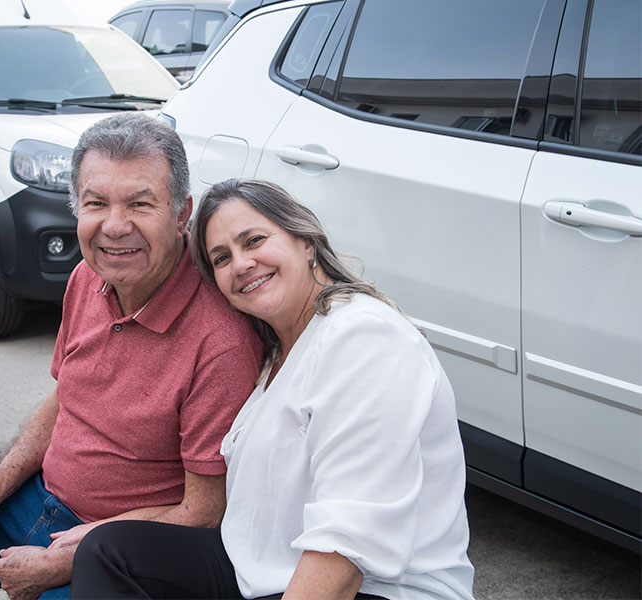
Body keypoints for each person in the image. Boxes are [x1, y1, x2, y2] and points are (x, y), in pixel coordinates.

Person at [0, 115, 263, 599]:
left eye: (140, 204)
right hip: (38, 497)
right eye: (95, 203)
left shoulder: (220, 340)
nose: (114, 226)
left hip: (122, 546)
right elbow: (65, 400)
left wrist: (68, 558)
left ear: (181, 211)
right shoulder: (87, 277)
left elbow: (204, 513)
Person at [71, 179, 475, 600]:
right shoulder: (275, 356)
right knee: (109, 551)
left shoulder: (363, 337)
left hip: (378, 588)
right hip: (267, 571)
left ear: (306, 242)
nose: (241, 264)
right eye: (222, 258)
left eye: (254, 240)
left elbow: (346, 548)